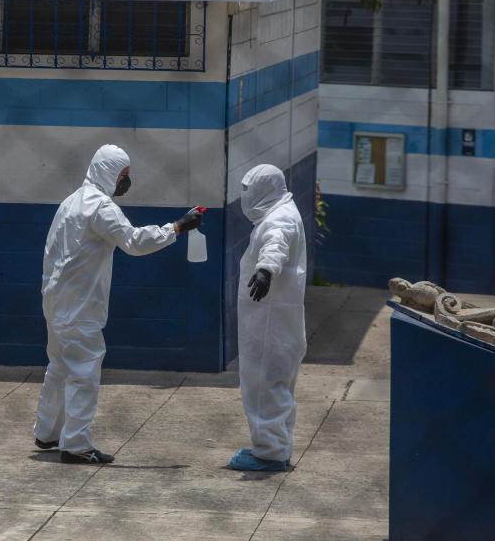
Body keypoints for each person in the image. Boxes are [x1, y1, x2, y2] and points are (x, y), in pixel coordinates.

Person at [33, 144, 204, 464]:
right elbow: (135, 242)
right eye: (123, 175)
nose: (126, 181)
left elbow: (51, 251)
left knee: (58, 366)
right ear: (108, 173)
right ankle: (77, 445)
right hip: (80, 306)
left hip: (56, 301)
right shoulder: (99, 207)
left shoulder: (71, 201)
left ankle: (46, 432)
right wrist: (178, 226)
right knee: (83, 371)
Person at [230, 164, 307, 472]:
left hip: (269, 320)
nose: (245, 198)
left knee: (264, 383)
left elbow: (277, 241)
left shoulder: (280, 218)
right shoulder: (282, 210)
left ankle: (270, 452)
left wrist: (265, 269)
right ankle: (277, 445)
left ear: (265, 190)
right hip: (275, 316)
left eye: (250, 191)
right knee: (276, 383)